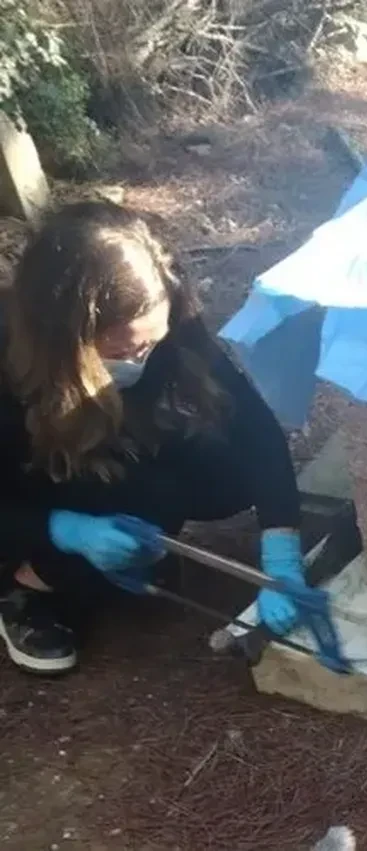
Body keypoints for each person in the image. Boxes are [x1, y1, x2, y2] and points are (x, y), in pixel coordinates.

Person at [0, 201, 310, 675]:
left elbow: (252, 425)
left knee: (216, 471)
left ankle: (114, 534)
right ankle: (29, 587)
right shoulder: (9, 362)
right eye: (121, 351)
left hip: (93, 448)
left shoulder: (169, 316)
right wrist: (62, 528)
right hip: (24, 481)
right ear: (64, 339)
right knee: (143, 502)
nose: (139, 360)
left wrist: (282, 549)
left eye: (150, 343)